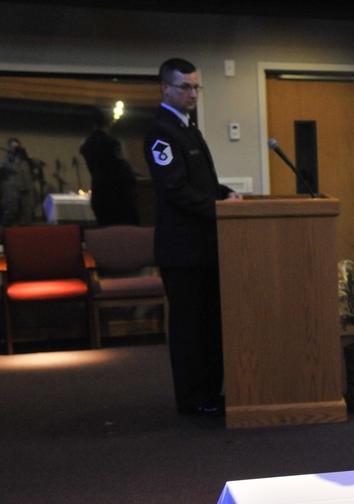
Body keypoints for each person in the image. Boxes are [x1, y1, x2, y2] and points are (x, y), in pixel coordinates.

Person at [143, 57, 241, 417]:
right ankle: (193, 398)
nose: (192, 93)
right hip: (183, 252)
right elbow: (174, 191)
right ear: (165, 88)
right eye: (185, 87)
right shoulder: (161, 132)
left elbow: (203, 184)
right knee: (189, 330)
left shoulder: (188, 128)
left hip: (204, 249)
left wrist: (225, 193)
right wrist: (219, 207)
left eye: (196, 86)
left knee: (208, 325)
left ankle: (209, 393)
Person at [79, 108, 140, 227]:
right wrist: (138, 175)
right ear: (110, 121)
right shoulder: (110, 143)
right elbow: (123, 168)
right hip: (118, 198)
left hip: (99, 195)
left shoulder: (88, 144)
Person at [0, 137, 35, 225]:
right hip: (13, 187)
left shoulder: (24, 158)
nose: (15, 149)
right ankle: (7, 230)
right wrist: (17, 158)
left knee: (27, 211)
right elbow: (12, 168)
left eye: (17, 146)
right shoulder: (7, 159)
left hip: (26, 187)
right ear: (9, 147)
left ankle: (25, 230)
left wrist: (28, 157)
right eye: (13, 146)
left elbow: (34, 167)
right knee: (11, 210)